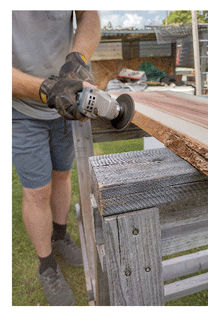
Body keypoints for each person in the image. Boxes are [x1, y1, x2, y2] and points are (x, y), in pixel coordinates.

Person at [12, 11, 101, 306]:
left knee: (62, 174)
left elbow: (89, 14)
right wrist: (47, 89)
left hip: (66, 102)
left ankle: (60, 236)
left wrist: (79, 59)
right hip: (20, 107)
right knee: (37, 190)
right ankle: (47, 265)